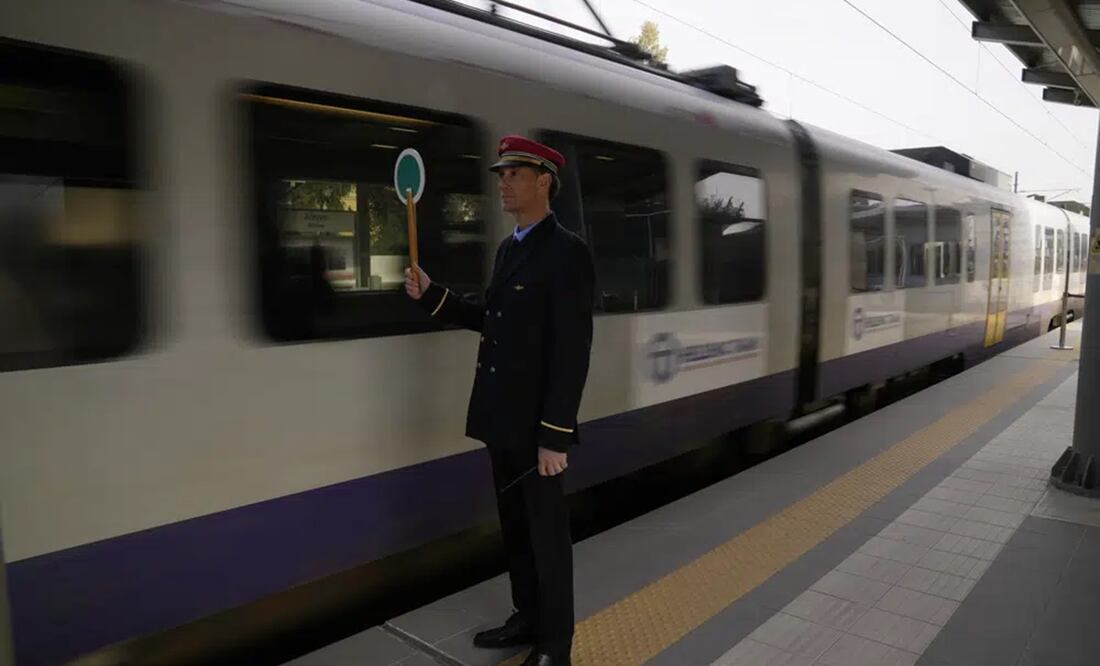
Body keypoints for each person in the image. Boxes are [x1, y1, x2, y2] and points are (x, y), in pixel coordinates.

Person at [405, 135, 594, 666]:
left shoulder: (567, 252)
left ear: (543, 182)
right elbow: (494, 318)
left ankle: (555, 646)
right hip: (502, 420)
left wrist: (555, 436)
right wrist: (434, 296)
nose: (503, 183)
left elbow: (572, 350)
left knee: (547, 539)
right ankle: (526, 618)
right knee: (516, 529)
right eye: (502, 175)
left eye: (514, 174)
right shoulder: (510, 249)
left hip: (537, 428)